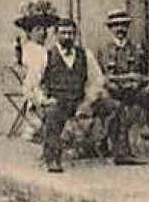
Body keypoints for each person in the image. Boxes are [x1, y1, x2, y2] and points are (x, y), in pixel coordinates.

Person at [27, 16, 104, 173]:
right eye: (63, 33)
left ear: (75, 35)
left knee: (113, 107)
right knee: (53, 114)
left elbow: (97, 80)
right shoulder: (46, 56)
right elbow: (31, 84)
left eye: (70, 33)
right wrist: (43, 100)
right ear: (55, 35)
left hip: (80, 101)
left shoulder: (85, 55)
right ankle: (53, 159)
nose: (67, 37)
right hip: (58, 102)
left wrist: (88, 100)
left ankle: (121, 152)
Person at [93, 9, 149, 164]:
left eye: (123, 25)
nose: (120, 29)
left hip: (132, 91)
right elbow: (98, 76)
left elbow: (142, 73)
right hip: (110, 92)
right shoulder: (103, 51)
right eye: (115, 25)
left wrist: (136, 83)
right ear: (110, 29)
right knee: (115, 107)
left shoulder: (137, 49)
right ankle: (120, 151)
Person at [14, 5, 58, 142]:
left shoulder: (41, 49)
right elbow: (34, 78)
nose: (43, 33)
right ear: (29, 33)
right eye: (38, 30)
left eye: (45, 29)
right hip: (37, 89)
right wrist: (41, 98)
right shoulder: (34, 51)